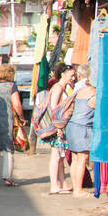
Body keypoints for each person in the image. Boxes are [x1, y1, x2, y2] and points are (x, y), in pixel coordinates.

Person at [0, 63, 25, 187]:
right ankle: (7, 177)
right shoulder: (11, 86)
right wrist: (22, 117)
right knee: (8, 149)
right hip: (6, 119)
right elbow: (17, 104)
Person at [36, 63, 73, 194]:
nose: (73, 78)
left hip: (58, 126)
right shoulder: (58, 88)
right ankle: (54, 185)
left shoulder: (60, 87)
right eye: (71, 75)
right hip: (57, 127)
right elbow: (54, 109)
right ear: (63, 74)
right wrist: (58, 127)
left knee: (60, 155)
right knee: (56, 155)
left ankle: (63, 183)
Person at [65, 63, 97, 198]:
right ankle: (78, 190)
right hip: (82, 128)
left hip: (72, 126)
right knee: (82, 158)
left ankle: (76, 188)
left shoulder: (79, 90)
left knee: (75, 158)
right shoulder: (92, 92)